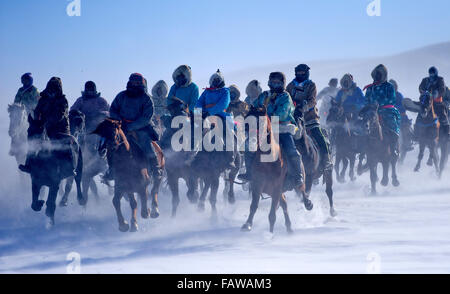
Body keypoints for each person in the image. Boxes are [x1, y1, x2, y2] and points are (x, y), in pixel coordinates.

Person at [238, 72, 304, 190]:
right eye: (273, 82)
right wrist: (249, 113)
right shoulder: (264, 95)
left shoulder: (285, 96)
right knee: (249, 146)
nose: (275, 84)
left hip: (282, 128)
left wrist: (265, 113)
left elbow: (282, 113)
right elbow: (256, 106)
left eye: (277, 82)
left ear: (282, 83)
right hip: (264, 129)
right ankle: (249, 173)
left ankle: (298, 176)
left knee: (291, 150)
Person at [106, 73, 161, 181]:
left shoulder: (146, 99)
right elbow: (113, 110)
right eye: (133, 82)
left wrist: (131, 126)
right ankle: (111, 169)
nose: (135, 85)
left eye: (137, 83)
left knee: (147, 144)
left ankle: (155, 169)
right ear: (129, 83)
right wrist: (120, 123)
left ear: (142, 84)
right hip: (121, 127)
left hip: (141, 128)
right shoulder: (121, 96)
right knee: (110, 144)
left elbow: (146, 117)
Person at [19, 77, 74, 178]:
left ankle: (69, 168)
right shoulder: (43, 98)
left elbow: (60, 115)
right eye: (50, 87)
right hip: (43, 126)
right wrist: (36, 120)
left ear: (58, 89)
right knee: (32, 136)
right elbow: (37, 110)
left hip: (60, 128)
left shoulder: (62, 100)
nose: (52, 90)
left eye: (55, 87)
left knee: (65, 143)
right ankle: (29, 164)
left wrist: (47, 122)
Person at [286, 64, 332, 172]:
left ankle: (326, 160)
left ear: (306, 73)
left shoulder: (311, 85)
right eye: (298, 73)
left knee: (319, 135)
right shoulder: (290, 86)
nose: (300, 75)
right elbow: (286, 97)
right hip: (294, 118)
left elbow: (313, 101)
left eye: (302, 73)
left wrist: (304, 107)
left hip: (310, 118)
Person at [194, 70, 236, 168]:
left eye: (217, 80)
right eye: (214, 80)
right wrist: (199, 113)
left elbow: (223, 104)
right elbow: (199, 102)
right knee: (193, 129)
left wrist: (210, 112)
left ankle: (231, 158)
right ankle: (191, 154)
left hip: (221, 115)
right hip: (205, 115)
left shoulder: (225, 91)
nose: (215, 82)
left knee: (229, 132)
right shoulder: (207, 91)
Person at [364, 64, 401, 156]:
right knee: (362, 126)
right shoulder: (370, 88)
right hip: (372, 111)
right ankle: (363, 153)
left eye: (379, 74)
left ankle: (394, 148)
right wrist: (369, 106)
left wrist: (379, 104)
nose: (377, 76)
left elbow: (392, 99)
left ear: (384, 75)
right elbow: (366, 100)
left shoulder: (389, 86)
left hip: (386, 111)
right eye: (376, 74)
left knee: (392, 126)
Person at [419, 67, 449, 139]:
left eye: (433, 74)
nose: (431, 75)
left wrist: (437, 93)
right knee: (420, 113)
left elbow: (442, 88)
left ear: (436, 73)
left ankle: (447, 132)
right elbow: (420, 87)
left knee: (443, 115)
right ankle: (417, 132)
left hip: (437, 102)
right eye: (430, 74)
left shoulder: (440, 79)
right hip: (426, 102)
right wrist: (423, 91)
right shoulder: (425, 80)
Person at [389, 79, 413, 152]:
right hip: (389, 118)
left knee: (405, 130)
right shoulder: (387, 96)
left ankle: (407, 144)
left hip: (401, 118)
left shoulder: (399, 95)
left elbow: (403, 106)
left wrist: (394, 107)